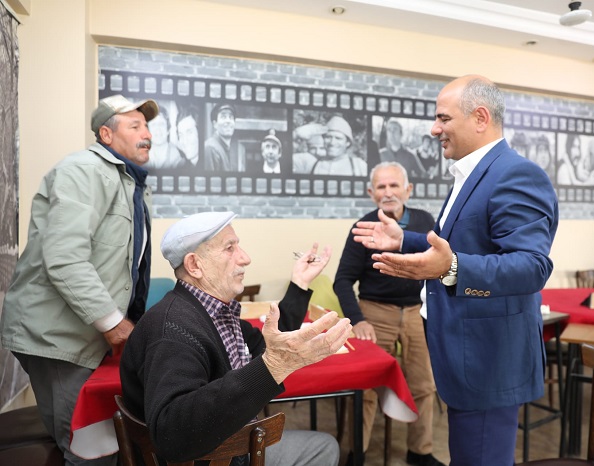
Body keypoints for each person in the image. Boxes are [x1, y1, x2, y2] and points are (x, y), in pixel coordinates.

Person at [352, 75, 558, 465]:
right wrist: (405, 240)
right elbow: (459, 246)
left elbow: (531, 267)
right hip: (466, 356)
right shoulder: (473, 173)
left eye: (443, 119)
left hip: (488, 361)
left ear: (480, 117)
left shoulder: (515, 174)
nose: (435, 129)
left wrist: (453, 268)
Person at [119, 211, 352, 465]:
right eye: (230, 248)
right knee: (324, 448)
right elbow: (172, 434)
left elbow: (267, 346)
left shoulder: (211, 311)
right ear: (195, 265)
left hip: (226, 442)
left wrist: (299, 282)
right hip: (215, 456)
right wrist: (274, 366)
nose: (246, 258)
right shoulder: (172, 331)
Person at [0, 94, 159, 466]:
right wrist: (114, 324)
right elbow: (65, 258)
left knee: (105, 442)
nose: (146, 133)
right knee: (89, 453)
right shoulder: (83, 171)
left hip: (85, 334)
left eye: (147, 125)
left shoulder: (130, 182)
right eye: (134, 125)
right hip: (57, 337)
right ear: (106, 134)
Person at [333, 162, 443, 466]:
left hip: (416, 314)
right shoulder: (363, 227)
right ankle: (357, 454)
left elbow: (439, 265)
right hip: (374, 314)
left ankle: (420, 452)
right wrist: (358, 320)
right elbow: (342, 280)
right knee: (366, 390)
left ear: (408, 190)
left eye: (394, 185)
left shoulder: (424, 221)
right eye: (381, 187)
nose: (388, 192)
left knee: (424, 385)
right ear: (371, 193)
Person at [143, 104, 185, 170]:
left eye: (161, 124)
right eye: (154, 124)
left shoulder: (177, 157)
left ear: (168, 129)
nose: (158, 129)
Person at [204, 102, 241, 172]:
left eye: (231, 117)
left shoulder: (225, 148)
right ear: (215, 124)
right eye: (223, 117)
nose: (228, 121)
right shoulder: (210, 148)